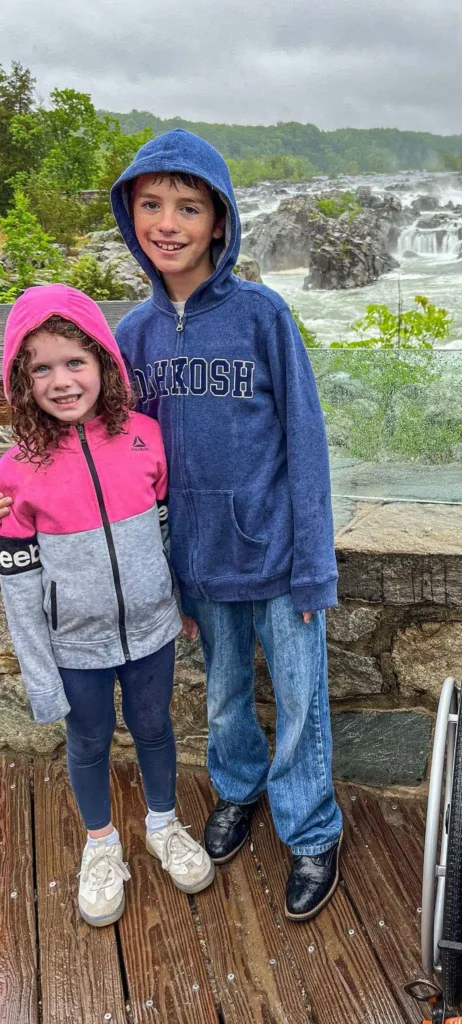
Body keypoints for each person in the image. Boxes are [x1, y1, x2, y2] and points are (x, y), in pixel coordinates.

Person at [107, 128, 342, 921]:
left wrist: (315, 564)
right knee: (225, 697)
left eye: (189, 206)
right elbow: (118, 461)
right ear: (130, 215)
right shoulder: (132, 338)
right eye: (151, 204)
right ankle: (238, 793)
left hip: (277, 555)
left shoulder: (261, 316)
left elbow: (305, 446)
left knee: (304, 699)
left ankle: (312, 830)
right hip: (197, 564)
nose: (167, 222)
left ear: (220, 222)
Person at [0, 284, 213, 928]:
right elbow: (17, 581)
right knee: (89, 740)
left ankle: (163, 823)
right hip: (74, 645)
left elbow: (170, 529)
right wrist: (39, 671)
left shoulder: (146, 437)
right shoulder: (15, 471)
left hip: (151, 630)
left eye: (75, 362)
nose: (61, 381)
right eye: (41, 368)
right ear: (20, 379)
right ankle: (100, 844)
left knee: (154, 728)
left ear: (105, 364)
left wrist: (181, 603)